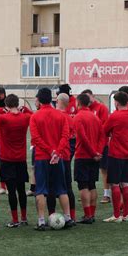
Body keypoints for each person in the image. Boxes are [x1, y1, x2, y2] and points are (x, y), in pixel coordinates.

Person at [30, 88, 75, 230]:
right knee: (61, 189)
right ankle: (68, 218)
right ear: (51, 99)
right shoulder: (60, 115)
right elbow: (65, 136)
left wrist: (50, 152)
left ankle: (42, 221)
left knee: (41, 190)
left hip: (43, 157)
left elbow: (36, 138)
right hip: (58, 158)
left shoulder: (35, 116)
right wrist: (57, 152)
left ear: (39, 99)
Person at [102, 91, 128, 223]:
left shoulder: (115, 116)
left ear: (116, 102)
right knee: (126, 183)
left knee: (115, 184)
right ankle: (126, 214)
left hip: (116, 153)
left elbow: (105, 130)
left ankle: (116, 215)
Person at [0, 94, 31, 228]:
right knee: (21, 190)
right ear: (18, 103)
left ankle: (15, 219)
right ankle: (24, 217)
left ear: (6, 104)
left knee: (11, 191)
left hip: (6, 158)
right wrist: (25, 109)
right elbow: (33, 115)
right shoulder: (25, 117)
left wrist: (1, 110)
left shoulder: (3, 118)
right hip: (21, 159)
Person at [73, 94, 104, 224]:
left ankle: (87, 215)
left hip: (83, 155)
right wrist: (98, 152)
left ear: (78, 103)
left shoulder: (78, 117)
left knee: (83, 185)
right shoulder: (95, 117)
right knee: (92, 185)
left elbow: (82, 138)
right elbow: (102, 136)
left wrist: (92, 152)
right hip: (94, 156)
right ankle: (92, 214)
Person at [48, 93, 76, 221]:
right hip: (65, 156)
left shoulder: (55, 116)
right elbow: (72, 138)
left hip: (54, 155)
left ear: (58, 101)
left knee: (52, 187)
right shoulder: (71, 118)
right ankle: (71, 216)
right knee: (67, 187)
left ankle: (51, 215)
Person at [81, 89, 111, 204]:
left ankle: (107, 194)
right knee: (88, 169)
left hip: (100, 144)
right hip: (88, 145)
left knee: (104, 169)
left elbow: (104, 127)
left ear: (93, 96)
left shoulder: (101, 108)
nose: (88, 100)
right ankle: (86, 192)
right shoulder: (85, 110)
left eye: (89, 97)